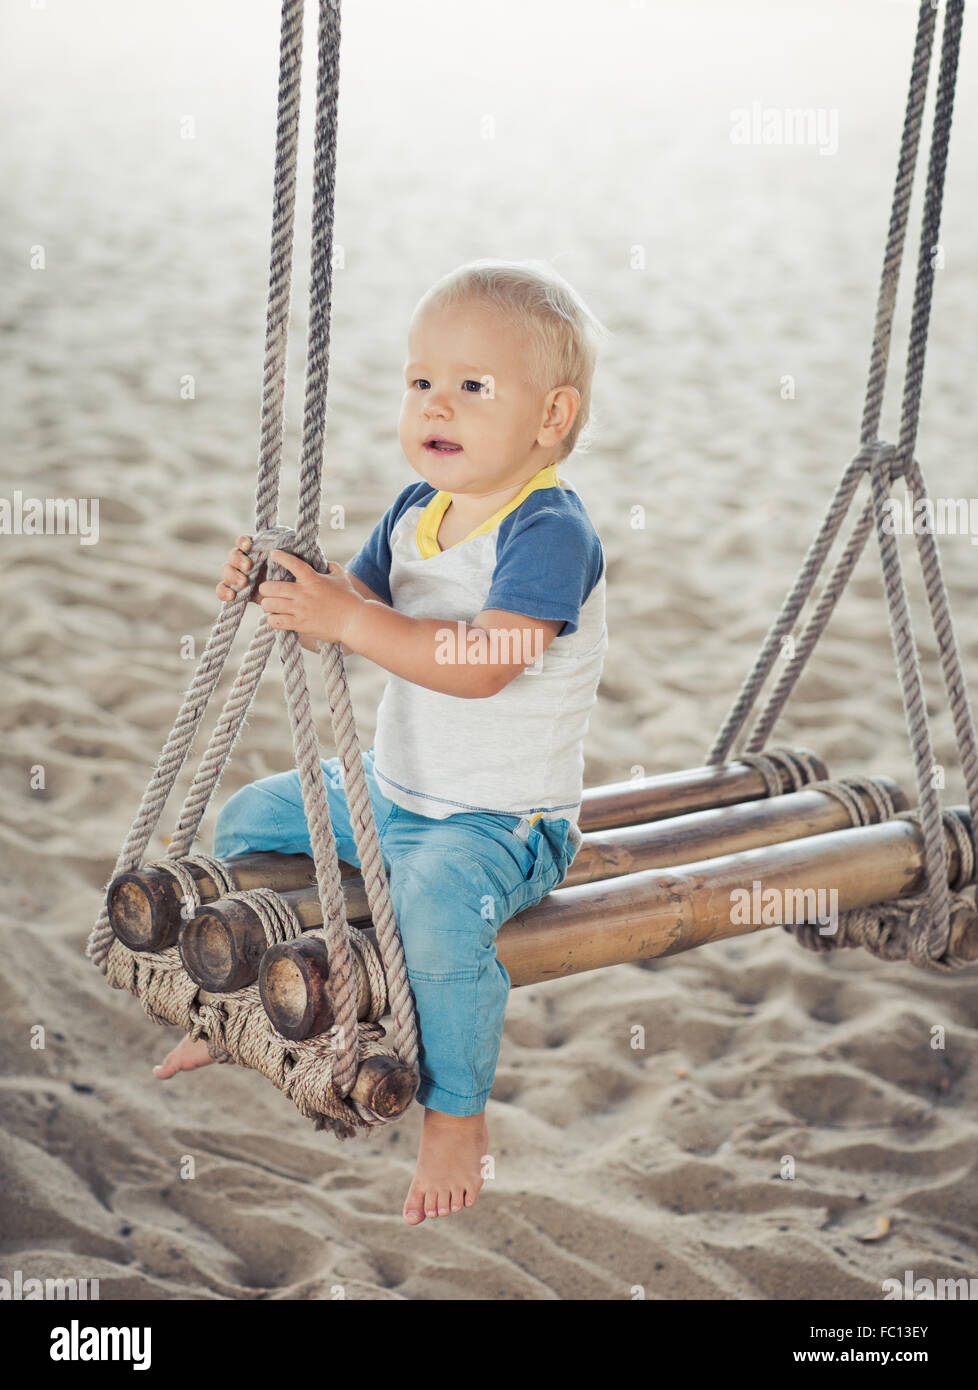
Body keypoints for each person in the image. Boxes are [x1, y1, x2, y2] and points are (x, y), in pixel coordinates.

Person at [153, 258, 609, 1225]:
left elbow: (489, 660)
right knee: (250, 821)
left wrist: (350, 622)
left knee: (437, 907)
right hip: (393, 788)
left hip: (498, 823)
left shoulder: (549, 530)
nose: (435, 402)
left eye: (472, 386)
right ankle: (237, 1009)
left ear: (551, 417)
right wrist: (294, 586)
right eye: (420, 381)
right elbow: (358, 605)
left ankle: (456, 1112)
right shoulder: (417, 512)